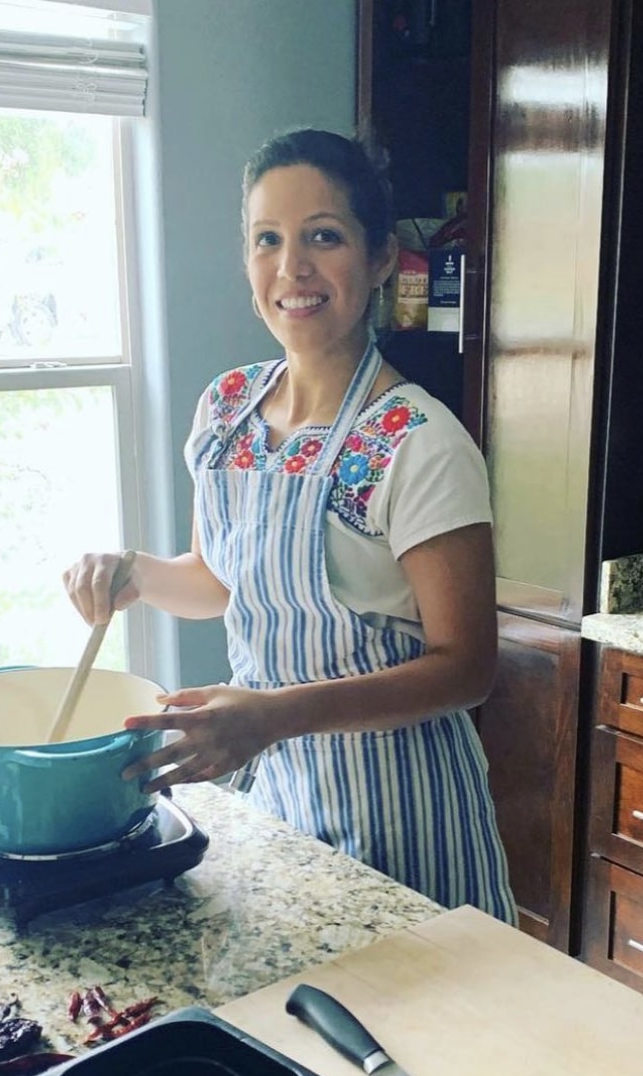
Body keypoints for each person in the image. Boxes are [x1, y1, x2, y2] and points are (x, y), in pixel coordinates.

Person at [63, 128, 516, 924]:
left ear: (380, 260)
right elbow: (216, 580)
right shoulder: (227, 408)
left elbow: (466, 667)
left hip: (405, 817)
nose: (292, 268)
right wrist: (129, 571)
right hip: (280, 799)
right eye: (267, 239)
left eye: (323, 237)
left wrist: (272, 715)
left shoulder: (418, 441)